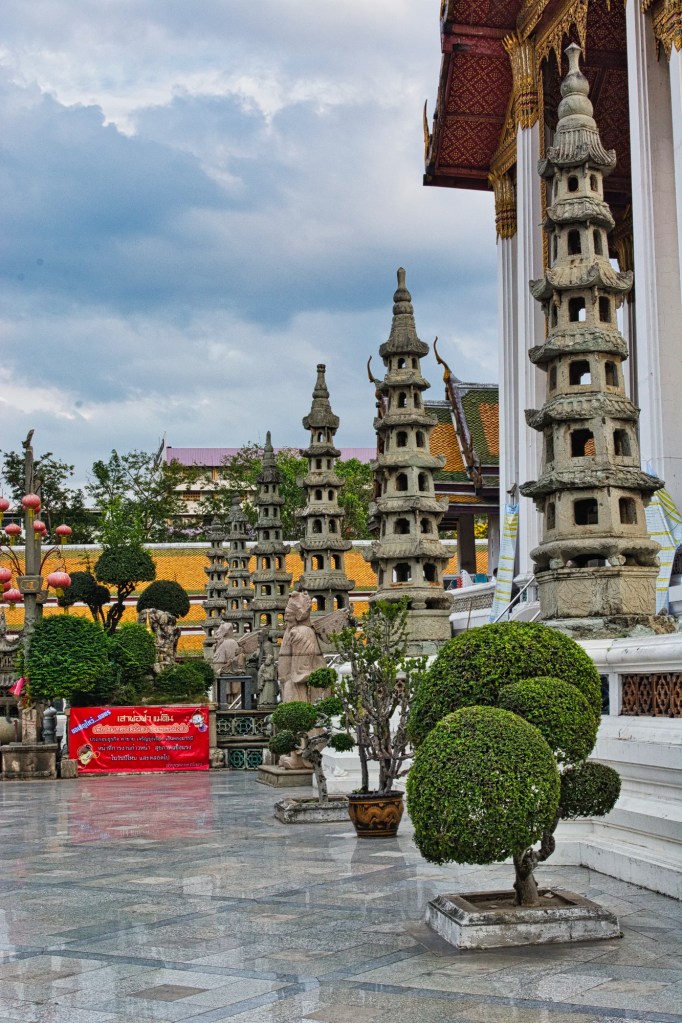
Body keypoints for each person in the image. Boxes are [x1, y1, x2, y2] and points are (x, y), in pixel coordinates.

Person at [278, 590, 326, 703]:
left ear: (297, 616)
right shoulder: (291, 630)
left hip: (297, 684)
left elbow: (302, 669)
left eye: (288, 615)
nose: (285, 618)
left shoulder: (301, 631)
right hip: (290, 681)